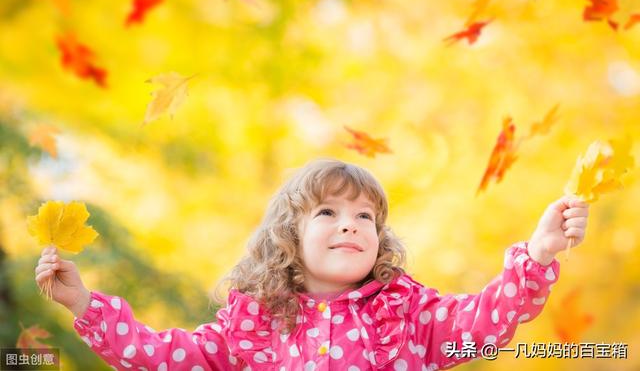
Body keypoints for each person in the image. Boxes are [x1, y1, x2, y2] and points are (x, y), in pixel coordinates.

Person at [34, 158, 589, 370]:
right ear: (289, 236)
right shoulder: (251, 326)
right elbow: (161, 355)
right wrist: (84, 305)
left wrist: (537, 254)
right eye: (328, 211)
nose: (351, 223)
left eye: (366, 216)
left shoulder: (409, 317)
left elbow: (483, 327)